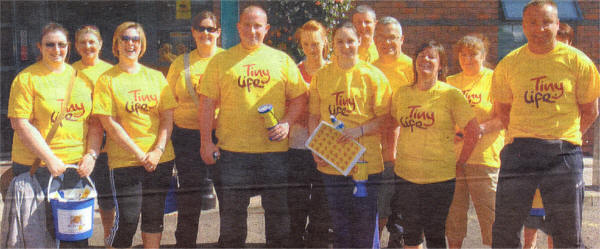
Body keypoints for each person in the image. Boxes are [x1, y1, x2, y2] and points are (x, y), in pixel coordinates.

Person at [490, 1, 600, 248]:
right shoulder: (509, 63)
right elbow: (503, 111)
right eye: (532, 22)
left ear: (557, 24)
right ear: (523, 26)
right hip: (519, 152)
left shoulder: (578, 61)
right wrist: (528, 133)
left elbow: (590, 110)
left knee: (567, 233)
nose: (540, 29)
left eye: (546, 22)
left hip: (562, 154)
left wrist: (566, 136)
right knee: (505, 231)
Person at [197, 6, 307, 248]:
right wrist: (206, 141)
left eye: (258, 26)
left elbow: (300, 98)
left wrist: (287, 123)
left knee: (278, 217)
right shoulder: (221, 60)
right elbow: (206, 103)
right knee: (232, 220)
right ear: (238, 28)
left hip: (274, 153)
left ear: (266, 29)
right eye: (246, 25)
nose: (252, 30)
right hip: (233, 152)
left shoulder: (281, 60)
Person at [7, 22, 103, 248]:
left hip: (74, 169)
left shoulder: (82, 79)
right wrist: (50, 159)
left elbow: (95, 124)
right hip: (36, 169)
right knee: (38, 238)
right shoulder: (26, 79)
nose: (56, 50)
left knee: (75, 238)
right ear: (39, 47)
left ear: (68, 46)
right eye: (50, 44)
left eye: (61, 44)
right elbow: (20, 123)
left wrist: (91, 155)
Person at [92, 21, 177, 248]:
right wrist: (140, 154)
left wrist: (157, 151)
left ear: (142, 45)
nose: (131, 43)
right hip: (125, 161)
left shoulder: (156, 77)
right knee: (127, 220)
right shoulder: (107, 79)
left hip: (160, 159)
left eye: (136, 39)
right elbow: (109, 124)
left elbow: (168, 119)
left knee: (154, 218)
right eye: (125, 39)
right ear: (116, 44)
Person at [388, 40, 480, 249]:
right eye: (421, 55)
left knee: (435, 234)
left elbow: (473, 131)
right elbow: (392, 123)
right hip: (406, 175)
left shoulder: (451, 94)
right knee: (410, 233)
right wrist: (392, 154)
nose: (425, 60)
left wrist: (461, 161)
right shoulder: (402, 93)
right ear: (415, 61)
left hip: (439, 178)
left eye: (432, 56)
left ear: (441, 65)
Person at [308, 22, 391, 248]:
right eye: (340, 41)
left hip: (365, 162)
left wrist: (358, 131)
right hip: (332, 161)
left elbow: (385, 118)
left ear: (360, 42)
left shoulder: (373, 76)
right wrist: (316, 148)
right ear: (332, 45)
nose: (346, 46)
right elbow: (314, 116)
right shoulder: (322, 76)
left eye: (351, 41)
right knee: (339, 222)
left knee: (365, 220)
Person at [165, 10, 223, 248]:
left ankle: (229, 241)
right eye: (201, 28)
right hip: (187, 137)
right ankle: (185, 243)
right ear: (193, 32)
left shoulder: (227, 60)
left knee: (227, 193)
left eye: (210, 29)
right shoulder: (180, 63)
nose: (205, 33)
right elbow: (167, 101)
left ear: (218, 32)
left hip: (221, 136)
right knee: (189, 195)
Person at [444, 34, 504, 249]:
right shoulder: (451, 82)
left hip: (484, 158)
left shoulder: (494, 79)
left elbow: (503, 117)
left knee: (490, 216)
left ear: (484, 55)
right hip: (455, 159)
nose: (467, 59)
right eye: (463, 54)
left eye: (473, 54)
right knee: (454, 216)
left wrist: (479, 129)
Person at [521, 21, 576, 249]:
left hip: (560, 152)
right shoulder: (531, 68)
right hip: (533, 151)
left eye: (561, 42)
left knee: (556, 218)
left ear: (569, 43)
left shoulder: (575, 67)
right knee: (531, 219)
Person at [288, 19, 332, 248]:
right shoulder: (295, 71)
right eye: (306, 44)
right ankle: (296, 240)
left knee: (322, 201)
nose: (311, 49)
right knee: (297, 199)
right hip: (298, 145)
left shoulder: (335, 71)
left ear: (325, 42)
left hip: (326, 146)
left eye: (315, 43)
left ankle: (317, 241)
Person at [71, 24, 115, 243]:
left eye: (92, 42)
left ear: (100, 44)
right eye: (83, 42)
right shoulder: (70, 71)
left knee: (108, 199)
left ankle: (109, 240)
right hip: (79, 145)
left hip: (108, 146)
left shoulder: (111, 71)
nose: (88, 46)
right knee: (78, 198)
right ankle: (79, 241)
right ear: (76, 46)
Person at [372, 16, 412, 241]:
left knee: (406, 211)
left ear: (402, 39)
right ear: (376, 40)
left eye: (393, 38)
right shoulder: (370, 69)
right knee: (381, 206)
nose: (387, 42)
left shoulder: (413, 67)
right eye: (383, 37)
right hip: (381, 152)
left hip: (410, 151)